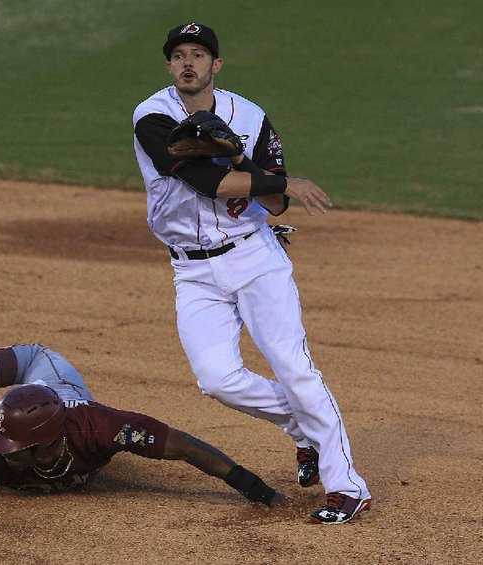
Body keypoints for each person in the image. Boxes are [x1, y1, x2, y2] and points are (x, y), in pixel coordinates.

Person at [131, 22, 371, 524]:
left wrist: (245, 157)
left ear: (216, 64)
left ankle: (346, 485)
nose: (188, 64)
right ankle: (304, 429)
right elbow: (203, 180)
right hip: (191, 271)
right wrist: (269, 175)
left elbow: (274, 201)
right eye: (178, 56)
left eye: (198, 54)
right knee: (217, 380)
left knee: (294, 367)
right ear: (169, 66)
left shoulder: (252, 116)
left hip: (253, 257)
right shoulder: (152, 116)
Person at [0, 343, 285, 509]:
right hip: (30, 404)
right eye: (2, 441)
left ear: (51, 439)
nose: (6, 451)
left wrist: (250, 485)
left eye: (14, 443)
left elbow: (182, 446)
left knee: (42, 360)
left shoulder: (101, 428)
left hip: (58, 391)